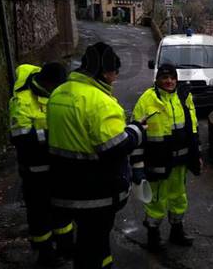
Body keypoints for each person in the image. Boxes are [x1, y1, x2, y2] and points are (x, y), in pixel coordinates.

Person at [47, 42, 146, 269]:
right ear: (104, 72)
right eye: (114, 72)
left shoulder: (58, 94)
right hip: (95, 193)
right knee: (92, 246)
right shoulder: (101, 103)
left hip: (63, 186)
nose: (115, 78)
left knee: (91, 245)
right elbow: (114, 148)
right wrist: (136, 131)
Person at [131, 63, 201, 253]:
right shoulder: (147, 100)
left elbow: (193, 127)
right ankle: (153, 237)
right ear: (157, 79)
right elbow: (136, 134)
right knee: (157, 200)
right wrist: (137, 166)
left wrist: (197, 154)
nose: (169, 81)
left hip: (180, 162)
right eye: (164, 78)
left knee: (179, 197)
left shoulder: (184, 97)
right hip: (157, 161)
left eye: (172, 78)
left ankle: (177, 232)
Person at [9, 62, 72, 267]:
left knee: (62, 210)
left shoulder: (59, 93)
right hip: (35, 171)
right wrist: (54, 135)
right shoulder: (22, 101)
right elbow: (20, 138)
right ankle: (45, 253)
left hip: (58, 168)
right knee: (39, 214)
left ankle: (66, 247)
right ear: (46, 83)